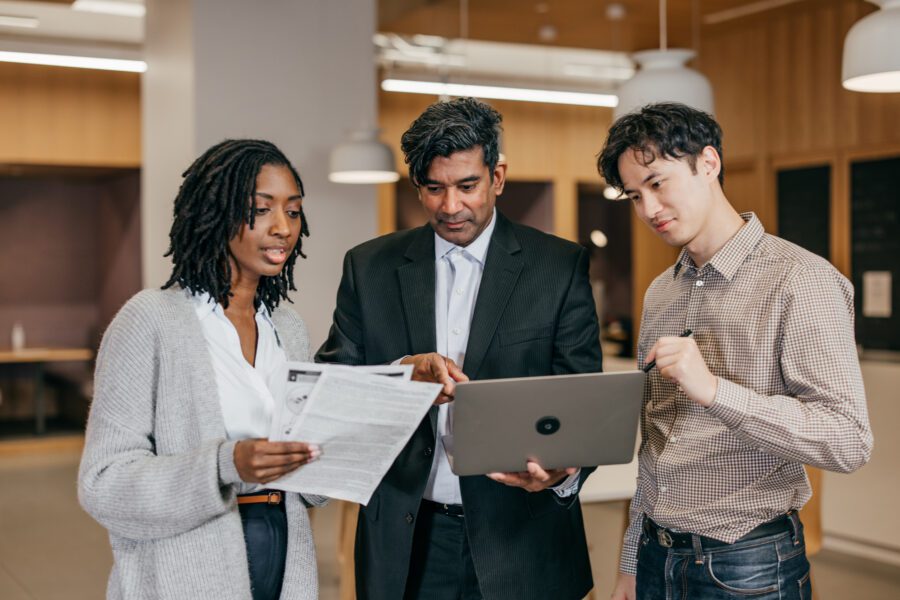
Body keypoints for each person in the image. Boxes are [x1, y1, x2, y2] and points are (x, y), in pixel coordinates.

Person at [316, 97, 603, 600]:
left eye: (467, 186)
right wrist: (402, 377)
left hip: (524, 540)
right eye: (435, 188)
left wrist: (564, 469)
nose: (451, 207)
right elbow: (331, 392)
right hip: (409, 540)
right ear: (417, 187)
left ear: (498, 176)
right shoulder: (369, 268)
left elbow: (584, 401)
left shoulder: (557, 267)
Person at [596, 103, 873, 600]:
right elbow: (655, 448)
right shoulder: (661, 291)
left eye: (658, 183)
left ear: (708, 163)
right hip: (657, 557)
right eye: (635, 196)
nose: (648, 210)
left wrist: (717, 392)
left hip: (749, 565)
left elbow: (848, 440)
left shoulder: (800, 280)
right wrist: (631, 559)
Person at [78, 139, 325, 600]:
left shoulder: (287, 329)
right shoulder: (151, 320)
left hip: (284, 555)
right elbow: (103, 484)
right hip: (184, 571)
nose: (282, 228)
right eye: (261, 209)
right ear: (215, 212)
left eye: (293, 212)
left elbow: (309, 483)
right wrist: (223, 463)